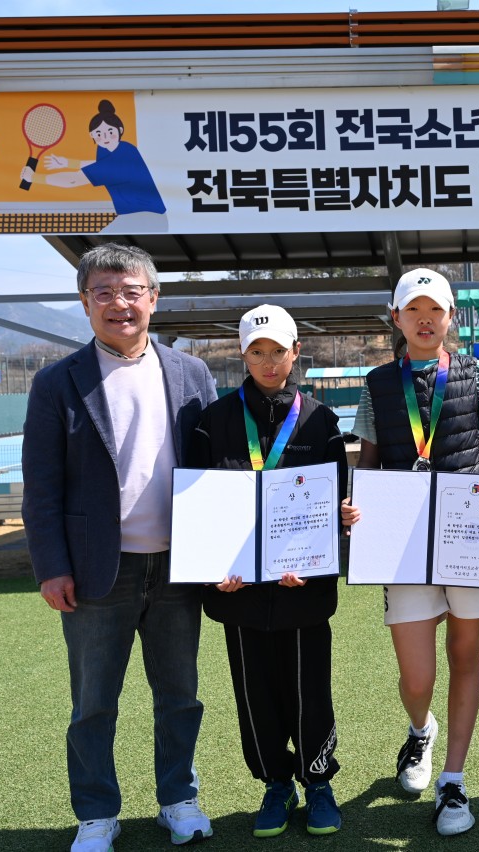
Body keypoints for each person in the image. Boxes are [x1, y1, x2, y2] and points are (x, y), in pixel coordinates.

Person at [21, 244, 218, 852]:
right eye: (103, 292)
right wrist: (52, 567)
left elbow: (216, 469)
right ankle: (96, 813)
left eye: (132, 291)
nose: (119, 304)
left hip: (178, 565)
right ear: (85, 303)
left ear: (153, 299)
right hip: (95, 571)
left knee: (180, 696)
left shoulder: (191, 373)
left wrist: (221, 550)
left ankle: (178, 799)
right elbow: (42, 486)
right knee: (93, 703)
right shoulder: (57, 382)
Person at [342, 267, 479, 837]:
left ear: (450, 317)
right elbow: (369, 461)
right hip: (403, 541)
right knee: (417, 677)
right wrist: (357, 505)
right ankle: (421, 730)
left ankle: (453, 779)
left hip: (467, 534)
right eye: (414, 310)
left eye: (436, 310)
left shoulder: (476, 373)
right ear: (396, 318)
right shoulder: (377, 384)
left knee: (466, 655)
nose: (425, 319)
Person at [186, 305, 349, 838]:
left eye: (278, 350)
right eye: (257, 351)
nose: (268, 361)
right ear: (242, 354)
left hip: (303, 590)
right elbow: (198, 503)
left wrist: (315, 561)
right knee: (255, 692)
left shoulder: (320, 421)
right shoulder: (213, 421)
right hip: (240, 592)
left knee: (309, 691)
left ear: (296, 352)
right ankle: (276, 783)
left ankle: (318, 781)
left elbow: (334, 504)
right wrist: (213, 569)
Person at [23, 99, 169, 232]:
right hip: (133, 216)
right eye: (98, 133)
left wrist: (34, 178)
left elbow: (73, 180)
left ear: (120, 130)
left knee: (101, 247)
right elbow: (100, 166)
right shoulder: (107, 149)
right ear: (91, 135)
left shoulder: (125, 153)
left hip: (148, 217)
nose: (104, 137)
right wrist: (68, 163)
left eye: (110, 131)